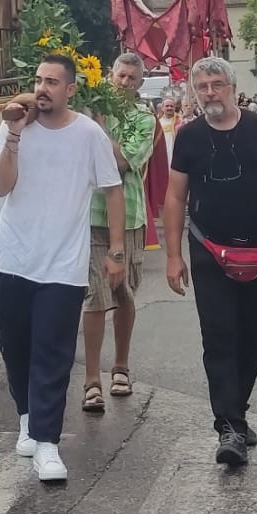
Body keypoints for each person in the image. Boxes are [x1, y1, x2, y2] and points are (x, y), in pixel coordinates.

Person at [161, 56, 257, 468]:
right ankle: (229, 427)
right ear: (194, 91)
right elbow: (175, 198)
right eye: (202, 86)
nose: (210, 93)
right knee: (219, 337)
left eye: (217, 84)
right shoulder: (188, 137)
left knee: (252, 342)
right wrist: (173, 256)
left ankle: (236, 412)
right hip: (209, 250)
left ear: (232, 87)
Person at [0, 54, 125, 484]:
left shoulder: (88, 134)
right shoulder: (14, 128)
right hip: (12, 258)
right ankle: (28, 419)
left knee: (53, 352)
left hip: (63, 266)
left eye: (52, 81)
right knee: (15, 348)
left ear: (71, 89)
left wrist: (116, 249)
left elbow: (114, 189)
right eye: (37, 79)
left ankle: (48, 444)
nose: (42, 88)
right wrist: (12, 134)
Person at [81, 53, 156, 413]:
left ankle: (121, 365)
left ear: (140, 84)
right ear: (109, 75)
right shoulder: (91, 108)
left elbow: (125, 161)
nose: (124, 83)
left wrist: (98, 130)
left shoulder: (145, 118)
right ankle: (92, 379)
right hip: (89, 214)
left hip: (127, 217)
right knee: (93, 297)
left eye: (131, 78)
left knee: (122, 291)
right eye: (120, 76)